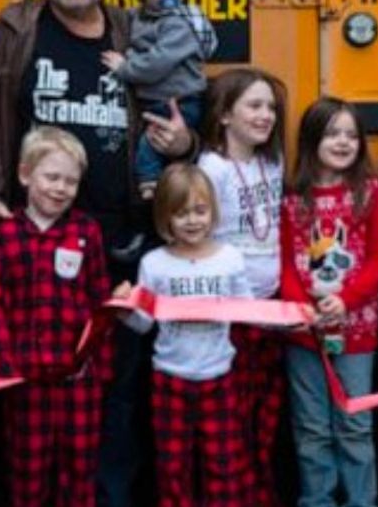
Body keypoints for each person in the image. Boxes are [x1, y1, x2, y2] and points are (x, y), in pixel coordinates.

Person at [0, 0, 195, 507]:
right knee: (33, 396)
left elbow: (184, 107)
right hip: (34, 246)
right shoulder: (8, 36)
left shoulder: (140, 35)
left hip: (123, 242)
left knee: (116, 389)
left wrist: (184, 146)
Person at [0, 126, 113, 507]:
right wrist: (6, 371)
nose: (61, 188)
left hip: (79, 381)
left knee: (79, 473)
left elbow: (100, 301)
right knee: (29, 473)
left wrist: (99, 370)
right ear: (25, 175)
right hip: (26, 383)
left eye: (71, 181)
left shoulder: (86, 231)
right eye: (52, 177)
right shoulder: (5, 234)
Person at [113, 163, 255, 507]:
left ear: (213, 211)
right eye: (180, 213)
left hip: (219, 377)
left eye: (200, 210)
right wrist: (123, 310)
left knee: (223, 467)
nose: (192, 220)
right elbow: (145, 324)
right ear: (165, 218)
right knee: (172, 469)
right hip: (169, 380)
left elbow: (248, 310)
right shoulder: (154, 263)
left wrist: (293, 317)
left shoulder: (230, 259)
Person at [279, 96, 378, 507]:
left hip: (356, 333)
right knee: (311, 427)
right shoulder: (293, 196)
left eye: (351, 134)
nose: (343, 142)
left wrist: (345, 298)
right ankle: (317, 498)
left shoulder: (370, 193)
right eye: (332, 133)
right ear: (312, 139)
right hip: (304, 335)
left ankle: (362, 500)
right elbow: (285, 263)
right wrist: (299, 306)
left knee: (354, 424)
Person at [196, 67, 287, 506]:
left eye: (270, 106)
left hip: (271, 307)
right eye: (254, 105)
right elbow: (202, 234)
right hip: (231, 311)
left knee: (263, 411)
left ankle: (257, 489)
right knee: (228, 413)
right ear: (225, 114)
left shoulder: (273, 163)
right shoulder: (212, 168)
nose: (266, 115)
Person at [103, 0, 218, 201]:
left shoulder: (179, 24)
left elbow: (157, 63)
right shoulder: (140, 16)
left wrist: (125, 67)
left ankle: (150, 183)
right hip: (156, 100)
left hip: (179, 101)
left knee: (150, 143)